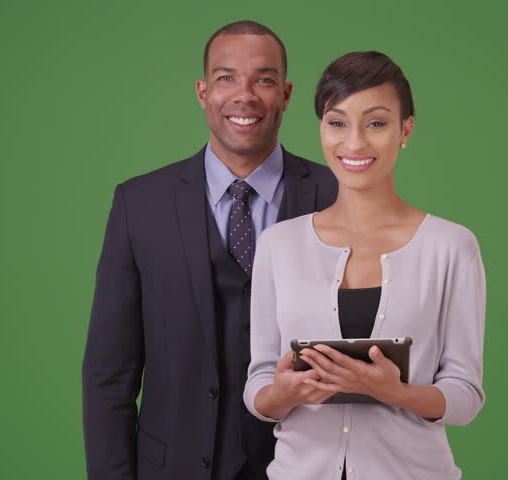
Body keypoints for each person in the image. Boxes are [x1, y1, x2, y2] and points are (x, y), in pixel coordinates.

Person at [82, 21, 338, 480]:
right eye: (226, 78)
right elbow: (109, 374)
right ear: (203, 92)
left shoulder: (337, 195)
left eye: (264, 80)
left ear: (286, 94)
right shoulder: (139, 204)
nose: (245, 96)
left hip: (307, 465)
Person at [243, 51, 486, 479]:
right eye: (337, 123)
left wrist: (395, 392)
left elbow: (465, 396)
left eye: (376, 123)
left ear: (405, 129)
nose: (354, 143)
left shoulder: (452, 247)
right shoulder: (278, 245)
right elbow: (259, 385)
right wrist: (283, 394)